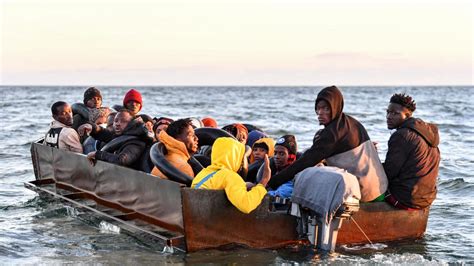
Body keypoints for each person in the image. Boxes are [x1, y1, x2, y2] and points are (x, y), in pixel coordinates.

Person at [267, 86, 387, 202]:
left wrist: (271, 182)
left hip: (366, 193)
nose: (320, 113)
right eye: (318, 108)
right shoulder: (351, 122)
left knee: (308, 174)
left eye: (326, 109)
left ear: (335, 108)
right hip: (381, 187)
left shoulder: (332, 134)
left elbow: (305, 162)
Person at [384, 93, 440, 209]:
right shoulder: (427, 133)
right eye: (388, 112)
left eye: (395, 113)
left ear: (407, 115)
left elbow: (389, 172)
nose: (389, 116)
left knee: (365, 184)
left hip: (405, 199)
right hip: (426, 199)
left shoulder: (402, 136)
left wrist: (370, 157)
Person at [191, 137, 272, 214]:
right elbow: (247, 205)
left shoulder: (204, 172)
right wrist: (263, 182)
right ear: (235, 157)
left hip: (195, 212)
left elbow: (219, 183)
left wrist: (243, 185)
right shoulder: (230, 176)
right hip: (207, 221)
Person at [82, 110, 152, 170]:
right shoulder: (122, 135)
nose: (117, 124)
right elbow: (104, 133)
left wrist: (98, 154)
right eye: (116, 121)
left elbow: (122, 160)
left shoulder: (136, 141)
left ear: (132, 123)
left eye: (123, 121)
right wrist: (92, 127)